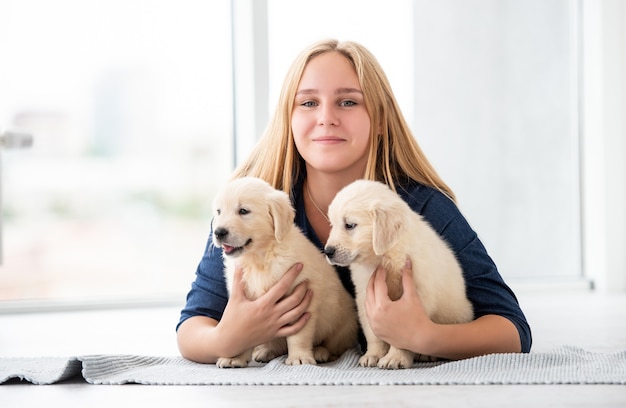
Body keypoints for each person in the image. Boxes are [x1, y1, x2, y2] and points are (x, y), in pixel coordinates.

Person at [176, 38, 532, 364]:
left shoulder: (419, 207)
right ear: (288, 118)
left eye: (347, 102)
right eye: (308, 102)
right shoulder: (255, 206)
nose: (326, 117)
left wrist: (426, 336)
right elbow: (192, 328)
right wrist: (228, 337)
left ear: (380, 120)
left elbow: (513, 331)